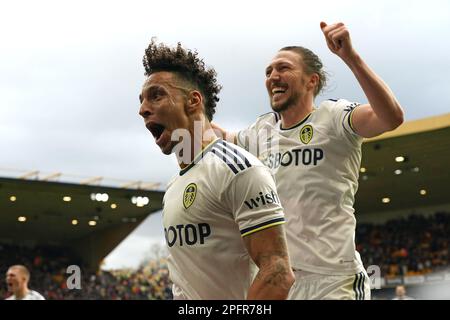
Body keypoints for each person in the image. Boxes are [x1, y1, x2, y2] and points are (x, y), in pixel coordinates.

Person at [212, 21, 404, 300]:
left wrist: (351, 57)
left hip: (334, 282)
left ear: (311, 80)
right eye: (268, 71)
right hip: (282, 283)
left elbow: (391, 118)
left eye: (283, 68)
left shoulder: (335, 118)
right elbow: (214, 138)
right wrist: (183, 108)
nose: (273, 76)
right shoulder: (261, 131)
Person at [138, 39, 294, 299]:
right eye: (142, 100)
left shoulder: (238, 169)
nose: (143, 109)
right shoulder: (173, 187)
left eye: (156, 95)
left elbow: (277, 272)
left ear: (193, 101)